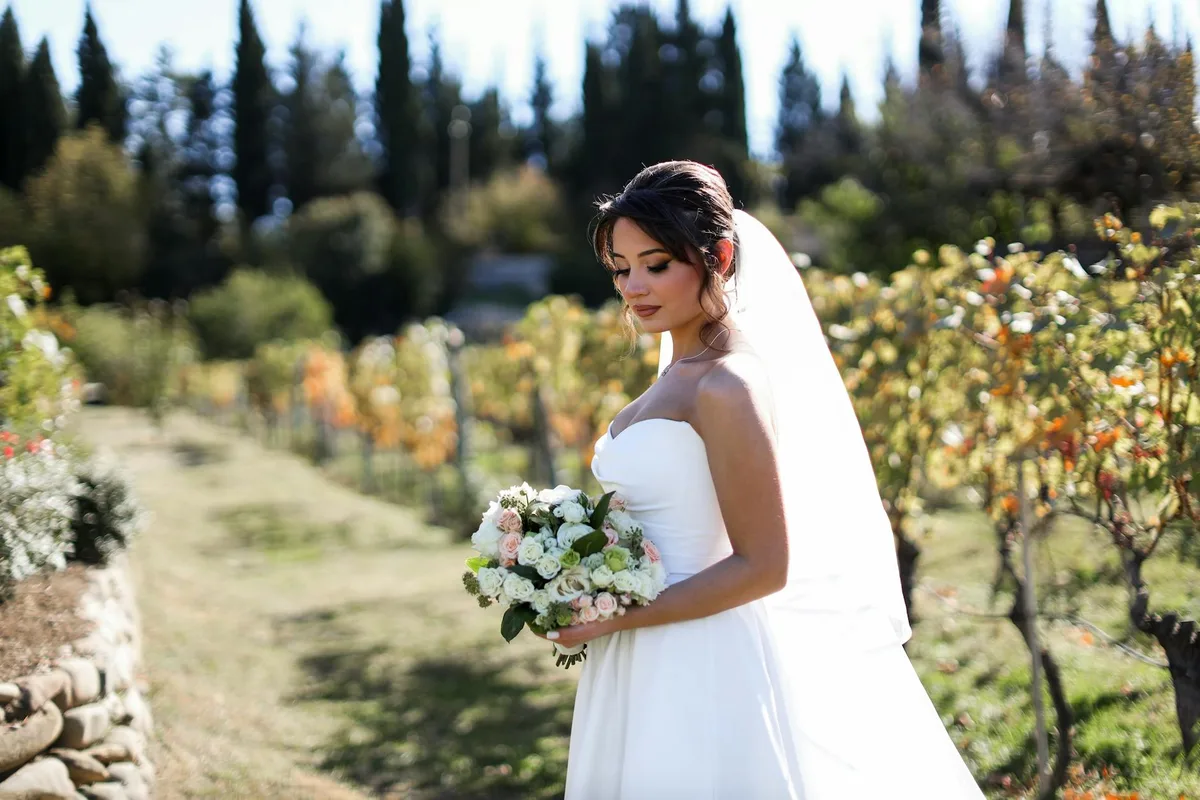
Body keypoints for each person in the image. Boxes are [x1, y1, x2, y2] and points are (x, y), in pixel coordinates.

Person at [535, 161, 986, 799]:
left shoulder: (727, 384)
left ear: (717, 255)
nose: (634, 285)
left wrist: (617, 617)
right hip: (638, 649)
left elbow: (764, 566)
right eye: (621, 267)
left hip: (702, 654)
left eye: (656, 263)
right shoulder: (678, 372)